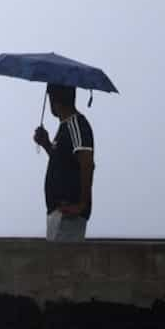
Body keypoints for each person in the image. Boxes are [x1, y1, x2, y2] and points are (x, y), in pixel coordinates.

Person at [33, 84, 95, 241]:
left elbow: (87, 163)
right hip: (59, 212)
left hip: (68, 212)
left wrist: (81, 205)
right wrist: (46, 143)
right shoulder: (65, 126)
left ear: (55, 100)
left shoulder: (76, 125)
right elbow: (62, 163)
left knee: (62, 264)